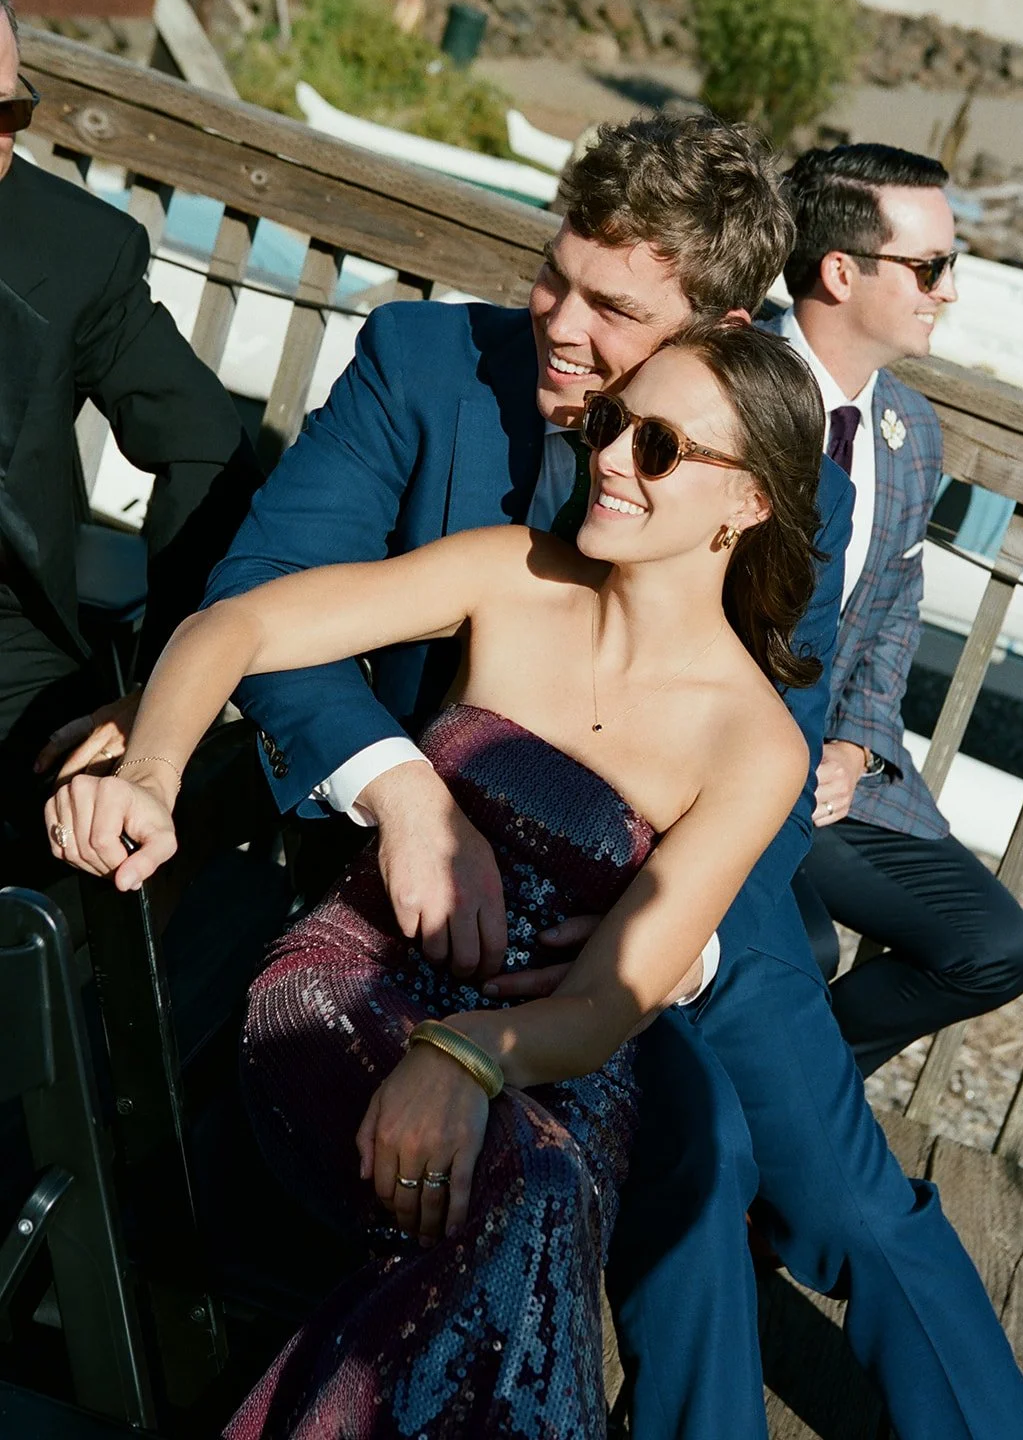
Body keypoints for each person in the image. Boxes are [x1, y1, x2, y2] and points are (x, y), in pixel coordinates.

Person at [199, 115, 1023, 1440]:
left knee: (832, 1199)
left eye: (616, 307)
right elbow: (262, 598)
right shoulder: (426, 365)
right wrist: (401, 789)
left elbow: (778, 729)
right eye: (555, 276)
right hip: (452, 895)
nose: (561, 325)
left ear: (715, 325)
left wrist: (669, 945)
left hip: (694, 924)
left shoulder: (763, 469)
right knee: (685, 1193)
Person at [47, 323, 824, 1438]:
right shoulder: (508, 572)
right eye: (610, 424)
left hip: (546, 1071)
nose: (607, 457)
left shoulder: (756, 745)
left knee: (529, 1197)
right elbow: (239, 623)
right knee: (521, 1211)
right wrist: (152, 773)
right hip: (349, 988)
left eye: (657, 447)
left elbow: (607, 1005)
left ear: (745, 502)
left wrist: (464, 1057)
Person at [776, 144, 1023, 1076]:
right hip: (715, 768)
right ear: (841, 272)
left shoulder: (910, 430)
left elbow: (890, 613)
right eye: (930, 268)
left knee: (995, 949)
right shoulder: (729, 392)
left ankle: (799, 1094)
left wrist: (850, 747)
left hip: (836, 778)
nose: (949, 291)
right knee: (803, 957)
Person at [0, 0, 261, 908]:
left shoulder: (75, 250)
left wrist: (157, 692)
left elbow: (204, 447)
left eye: (12, 108)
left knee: (97, 850)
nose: (1, 137)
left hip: (7, 649)